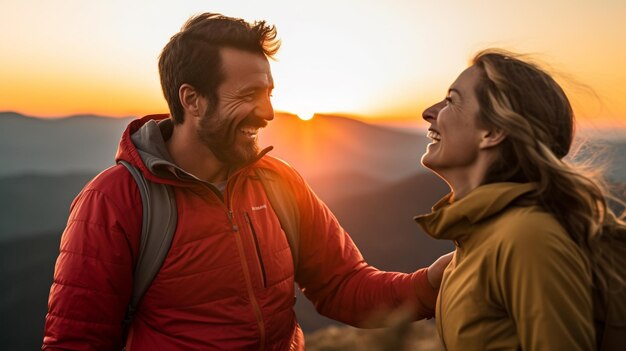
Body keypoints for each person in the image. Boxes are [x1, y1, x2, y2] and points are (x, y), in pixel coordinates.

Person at [42, 13, 451, 350]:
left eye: (270, 92)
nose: (268, 112)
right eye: (250, 94)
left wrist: (428, 284)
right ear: (192, 100)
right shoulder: (115, 200)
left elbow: (342, 285)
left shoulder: (278, 183)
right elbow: (75, 342)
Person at [414, 49, 626, 350]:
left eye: (451, 100)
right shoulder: (477, 237)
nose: (429, 111)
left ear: (494, 132)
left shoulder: (527, 238)